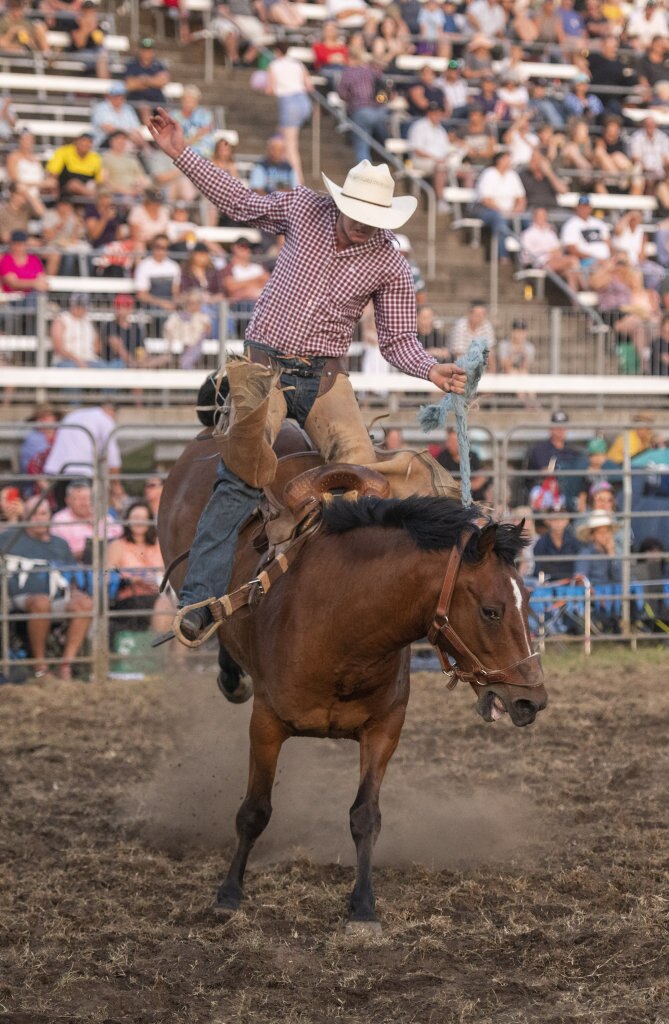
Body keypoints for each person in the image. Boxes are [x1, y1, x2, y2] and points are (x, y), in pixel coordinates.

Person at [147, 106, 467, 640]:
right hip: (264, 371)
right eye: (356, 210)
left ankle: (349, 596)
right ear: (342, 201)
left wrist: (430, 369)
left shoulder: (389, 263)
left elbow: (398, 341)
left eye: (371, 216)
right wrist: (182, 151)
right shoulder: (303, 207)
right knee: (241, 476)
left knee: (362, 474)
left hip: (325, 379)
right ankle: (201, 600)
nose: (361, 222)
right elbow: (240, 202)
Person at [0, 495, 93, 683]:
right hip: (16, 597)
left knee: (84, 603)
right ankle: (40, 666)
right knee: (41, 601)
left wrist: (75, 592)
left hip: (56, 597)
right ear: (25, 517)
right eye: (34, 515)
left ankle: (66, 665)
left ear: (50, 516)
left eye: (43, 514)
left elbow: (72, 578)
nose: (39, 519)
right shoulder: (9, 537)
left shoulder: (60, 544)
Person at [106, 500, 173, 639]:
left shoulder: (157, 545)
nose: (139, 522)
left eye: (144, 518)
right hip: (128, 597)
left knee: (181, 608)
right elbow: (106, 575)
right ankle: (159, 653)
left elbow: (167, 573)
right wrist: (132, 579)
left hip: (157, 594)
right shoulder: (118, 545)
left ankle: (177, 660)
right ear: (127, 520)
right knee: (166, 605)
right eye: (135, 518)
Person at [43, 402, 122, 509]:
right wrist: (115, 485)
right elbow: (113, 457)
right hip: (81, 472)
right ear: (112, 412)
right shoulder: (105, 419)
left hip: (57, 471)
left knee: (63, 510)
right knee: (82, 512)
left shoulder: (74, 415)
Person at [266, 41, 313, 185]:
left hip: (288, 103)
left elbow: (270, 89)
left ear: (277, 52)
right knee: (280, 134)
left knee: (290, 145)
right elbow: (309, 86)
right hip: (304, 101)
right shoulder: (298, 64)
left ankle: (298, 182)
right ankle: (284, 174)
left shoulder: (273, 65)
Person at [470, 151, 526, 261]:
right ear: (499, 160)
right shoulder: (489, 174)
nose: (510, 162)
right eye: (507, 159)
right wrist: (503, 211)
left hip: (509, 212)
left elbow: (521, 199)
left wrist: (517, 210)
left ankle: (526, 258)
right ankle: (502, 256)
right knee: (499, 220)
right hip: (485, 210)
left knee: (527, 220)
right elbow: (486, 200)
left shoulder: (513, 175)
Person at [50, 479, 122, 561]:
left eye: (88, 498)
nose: (84, 503)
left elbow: (120, 535)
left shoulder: (101, 515)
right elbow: (61, 554)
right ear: (68, 500)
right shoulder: (60, 520)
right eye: (79, 499)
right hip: (77, 566)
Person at [407, 101, 451, 212]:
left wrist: (444, 159)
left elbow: (446, 150)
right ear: (429, 113)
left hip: (438, 161)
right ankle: (441, 201)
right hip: (419, 161)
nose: (438, 116)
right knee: (441, 166)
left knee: (465, 172)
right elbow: (417, 151)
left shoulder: (441, 130)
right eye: (435, 113)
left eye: (439, 113)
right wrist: (437, 159)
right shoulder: (419, 126)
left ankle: (466, 208)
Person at [50, 293, 106, 369]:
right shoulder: (61, 320)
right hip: (66, 361)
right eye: (77, 305)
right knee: (70, 368)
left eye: (83, 305)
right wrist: (78, 360)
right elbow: (58, 348)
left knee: (107, 369)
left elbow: (98, 346)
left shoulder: (88, 321)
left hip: (90, 360)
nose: (80, 308)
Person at [435, 427, 489, 501]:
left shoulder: (473, 455)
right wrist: (467, 485)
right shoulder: (443, 456)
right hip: (452, 497)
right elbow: (444, 481)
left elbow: (482, 478)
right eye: (448, 441)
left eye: (453, 442)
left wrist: (460, 485)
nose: (449, 445)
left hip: (475, 497)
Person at [90, 81, 144, 151]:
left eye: (121, 95)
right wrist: (129, 135)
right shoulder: (100, 108)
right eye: (116, 95)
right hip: (104, 145)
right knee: (120, 140)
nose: (119, 98)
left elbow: (136, 129)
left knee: (139, 144)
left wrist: (138, 139)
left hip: (125, 143)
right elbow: (108, 129)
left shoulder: (128, 109)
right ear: (110, 96)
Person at [533, 502, 580, 580]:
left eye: (562, 518)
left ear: (567, 520)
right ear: (547, 521)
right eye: (554, 519)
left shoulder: (574, 541)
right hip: (548, 586)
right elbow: (538, 571)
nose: (558, 522)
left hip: (571, 585)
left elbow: (579, 567)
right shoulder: (541, 543)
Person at [124, 37, 170, 107]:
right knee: (145, 107)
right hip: (137, 99)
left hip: (157, 99)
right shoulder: (132, 64)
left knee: (166, 112)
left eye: (149, 50)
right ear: (140, 50)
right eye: (144, 50)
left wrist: (143, 80)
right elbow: (129, 85)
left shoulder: (159, 65)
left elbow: (163, 81)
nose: (147, 53)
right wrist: (153, 82)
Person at [449, 299, 496, 363]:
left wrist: (492, 372)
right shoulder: (460, 325)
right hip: (457, 361)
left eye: (483, 314)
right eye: (477, 314)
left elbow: (490, 352)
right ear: (470, 314)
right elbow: (458, 353)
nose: (480, 317)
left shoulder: (487, 325)